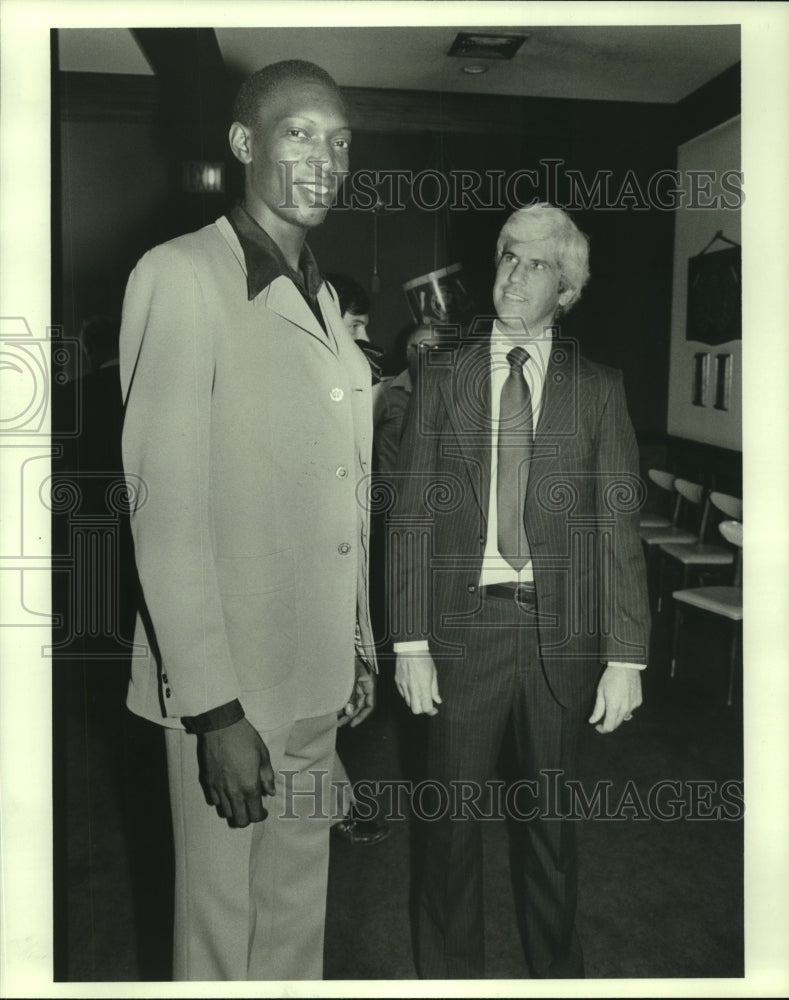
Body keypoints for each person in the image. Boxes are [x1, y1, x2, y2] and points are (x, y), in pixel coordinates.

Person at [119, 60, 377, 981]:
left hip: (311, 679)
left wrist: (356, 646)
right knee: (222, 938)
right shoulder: (181, 277)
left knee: (295, 921)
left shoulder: (325, 299)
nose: (327, 156)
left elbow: (338, 491)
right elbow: (166, 518)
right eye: (302, 132)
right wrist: (214, 713)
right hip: (228, 694)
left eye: (341, 140)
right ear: (244, 145)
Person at [390, 203, 650, 979]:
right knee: (450, 830)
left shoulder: (597, 390)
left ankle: (556, 978)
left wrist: (626, 656)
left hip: (560, 641)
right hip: (462, 633)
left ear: (566, 290)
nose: (513, 273)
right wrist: (408, 641)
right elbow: (406, 518)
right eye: (507, 255)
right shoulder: (442, 377)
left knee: (550, 830)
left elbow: (616, 527)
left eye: (537, 264)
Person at [374, 320, 440, 475]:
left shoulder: (451, 394)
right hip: (396, 493)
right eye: (424, 348)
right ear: (409, 352)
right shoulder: (384, 393)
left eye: (437, 349)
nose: (430, 356)